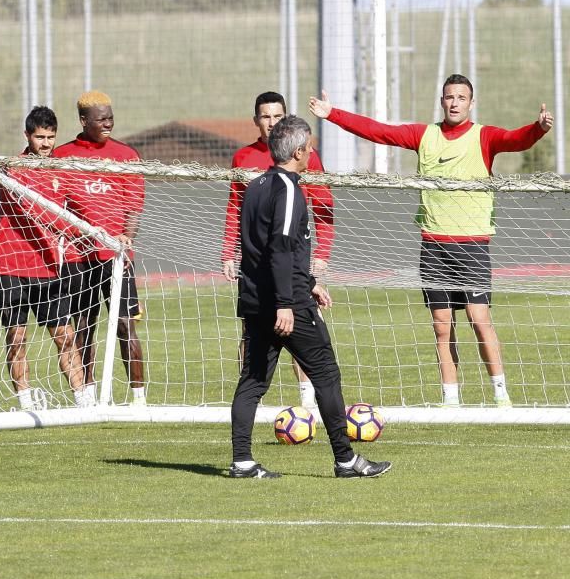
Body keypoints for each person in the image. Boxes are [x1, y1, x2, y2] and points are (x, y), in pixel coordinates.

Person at [309, 74, 553, 407]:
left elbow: (516, 139)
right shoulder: (425, 135)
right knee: (441, 327)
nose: (454, 103)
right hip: (434, 246)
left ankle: (501, 394)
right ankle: (450, 399)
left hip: (472, 246)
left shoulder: (484, 137)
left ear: (471, 102)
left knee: (479, 320)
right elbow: (379, 131)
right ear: (442, 101)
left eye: (461, 98)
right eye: (449, 97)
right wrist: (332, 113)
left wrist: (538, 128)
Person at [228, 115, 391, 479]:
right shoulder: (287, 189)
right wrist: (288, 300)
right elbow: (281, 248)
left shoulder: (255, 186)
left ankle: (241, 461)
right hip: (285, 304)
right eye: (310, 146)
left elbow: (259, 251)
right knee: (326, 374)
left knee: (252, 381)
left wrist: (308, 281)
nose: (312, 152)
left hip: (255, 299)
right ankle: (346, 460)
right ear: (299, 151)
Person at [221, 91, 335, 409]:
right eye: (265, 116)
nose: (271, 122)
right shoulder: (243, 158)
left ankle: (307, 401)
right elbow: (235, 208)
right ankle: (252, 397)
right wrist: (228, 252)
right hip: (257, 263)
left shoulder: (305, 156)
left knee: (299, 324)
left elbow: (324, 207)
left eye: (277, 116)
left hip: (295, 257)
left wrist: (321, 255)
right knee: (254, 330)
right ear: (256, 120)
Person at [51, 91, 146, 407]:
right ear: (83, 120)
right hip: (79, 258)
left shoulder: (126, 155)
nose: (108, 123)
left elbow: (133, 205)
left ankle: (138, 398)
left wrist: (126, 239)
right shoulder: (63, 157)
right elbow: (53, 206)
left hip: (117, 258)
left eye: (110, 117)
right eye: (100, 119)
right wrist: (70, 235)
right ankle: (87, 395)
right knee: (83, 325)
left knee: (124, 325)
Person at [0, 106, 89, 409]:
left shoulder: (60, 170)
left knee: (65, 336)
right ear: (27, 136)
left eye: (50, 137)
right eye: (39, 137)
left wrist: (94, 232)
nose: (45, 143)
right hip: (11, 265)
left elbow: (78, 208)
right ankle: (25, 402)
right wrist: (74, 229)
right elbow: (43, 213)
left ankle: (83, 400)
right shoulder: (11, 168)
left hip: (48, 267)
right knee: (17, 338)